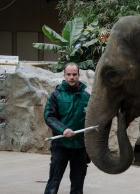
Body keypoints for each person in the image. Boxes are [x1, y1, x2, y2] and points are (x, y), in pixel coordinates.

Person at [44, 62, 90, 194]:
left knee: (78, 183)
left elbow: (92, 118)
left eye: (74, 74)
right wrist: (63, 129)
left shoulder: (86, 97)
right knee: (54, 181)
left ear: (78, 75)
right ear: (64, 75)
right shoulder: (56, 95)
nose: (71, 77)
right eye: (69, 74)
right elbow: (49, 116)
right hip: (61, 145)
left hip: (80, 147)